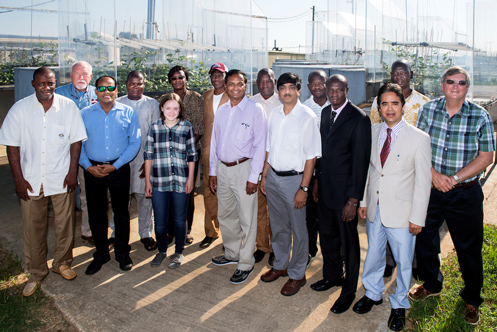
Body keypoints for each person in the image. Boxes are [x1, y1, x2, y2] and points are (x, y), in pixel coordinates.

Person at [409, 66, 495, 325]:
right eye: (451, 81)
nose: (456, 86)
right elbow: (417, 146)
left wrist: (455, 178)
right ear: (442, 85)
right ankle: (432, 283)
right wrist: (434, 175)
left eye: (462, 82)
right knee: (424, 239)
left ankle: (471, 299)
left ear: (468, 87)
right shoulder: (428, 110)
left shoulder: (480, 116)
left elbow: (487, 156)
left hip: (465, 194)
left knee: (469, 247)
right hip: (430, 189)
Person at [0, 67, 87, 296]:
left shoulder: (68, 107)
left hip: (61, 178)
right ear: (33, 84)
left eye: (50, 83)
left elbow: (76, 142)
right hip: (30, 179)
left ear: (55, 82)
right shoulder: (20, 109)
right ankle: (37, 272)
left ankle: (62, 263)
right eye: (41, 84)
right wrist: (18, 179)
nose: (46, 88)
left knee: (65, 224)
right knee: (33, 227)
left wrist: (72, 173)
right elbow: (12, 146)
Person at [352, 83, 432, 331]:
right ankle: (373, 293)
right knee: (374, 255)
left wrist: (417, 216)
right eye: (384, 103)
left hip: (403, 214)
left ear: (403, 106)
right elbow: (369, 170)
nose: (389, 108)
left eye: (394, 103)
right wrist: (364, 202)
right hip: (375, 209)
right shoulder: (372, 131)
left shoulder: (419, 138)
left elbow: (423, 182)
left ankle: (399, 305)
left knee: (403, 261)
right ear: (378, 107)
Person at [312, 74, 371, 314]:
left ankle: (348, 292)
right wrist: (316, 181)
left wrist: (353, 200)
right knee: (327, 238)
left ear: (347, 90)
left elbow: (360, 163)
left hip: (345, 196)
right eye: (330, 90)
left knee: (349, 245)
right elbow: (321, 152)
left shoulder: (359, 118)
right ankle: (332, 277)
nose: (334, 94)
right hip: (325, 191)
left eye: (339, 90)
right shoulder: (326, 113)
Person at [260, 72, 321, 296]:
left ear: (298, 90)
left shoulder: (307, 117)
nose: (286, 91)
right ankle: (281, 265)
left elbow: (311, 157)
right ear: (279, 91)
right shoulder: (274, 114)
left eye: (291, 87)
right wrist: (265, 176)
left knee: (299, 229)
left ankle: (297, 274)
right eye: (283, 87)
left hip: (295, 180)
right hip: (274, 177)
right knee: (278, 227)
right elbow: (269, 147)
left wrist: (303, 189)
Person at [370, 60, 431, 278]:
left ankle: (410, 270)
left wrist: (418, 215)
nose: (399, 75)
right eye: (394, 72)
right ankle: (385, 268)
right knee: (378, 241)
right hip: (382, 186)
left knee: (406, 244)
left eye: (402, 72)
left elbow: (423, 180)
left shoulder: (424, 103)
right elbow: (373, 160)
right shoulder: (377, 113)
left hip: (409, 173)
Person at [209, 69, 267, 284]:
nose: (235, 88)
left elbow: (261, 145)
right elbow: (215, 143)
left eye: (239, 84)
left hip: (244, 169)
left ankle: (245, 263)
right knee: (226, 215)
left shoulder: (255, 110)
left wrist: (254, 176)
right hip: (222, 169)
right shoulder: (222, 110)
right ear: (225, 85)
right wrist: (213, 172)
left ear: (246, 86)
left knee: (247, 219)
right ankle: (231, 254)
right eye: (231, 84)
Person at [79, 75, 141, 275]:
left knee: (121, 212)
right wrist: (88, 166)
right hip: (93, 170)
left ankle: (123, 252)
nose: (107, 91)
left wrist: (116, 166)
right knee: (96, 214)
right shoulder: (84, 113)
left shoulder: (128, 112)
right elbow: (77, 144)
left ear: (116, 91)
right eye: (102, 88)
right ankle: (101, 253)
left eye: (111, 88)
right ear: (95, 91)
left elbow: (135, 142)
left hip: (119, 168)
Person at [145, 93, 197, 269]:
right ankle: (161, 250)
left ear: (180, 109)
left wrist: (190, 179)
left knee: (179, 218)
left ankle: (179, 252)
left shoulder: (186, 127)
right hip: (159, 181)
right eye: (168, 108)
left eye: (176, 108)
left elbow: (192, 156)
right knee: (160, 220)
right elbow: (148, 156)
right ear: (161, 109)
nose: (172, 112)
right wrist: (147, 182)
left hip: (181, 181)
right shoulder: (154, 128)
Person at [113, 70, 160, 251]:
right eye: (132, 83)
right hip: (121, 160)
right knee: (120, 199)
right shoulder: (117, 103)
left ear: (144, 84)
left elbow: (156, 133)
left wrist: (149, 161)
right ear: (126, 84)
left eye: (139, 83)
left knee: (144, 197)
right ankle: (115, 233)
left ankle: (146, 233)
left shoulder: (152, 104)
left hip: (144, 157)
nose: (135, 87)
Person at [55, 60, 98, 245]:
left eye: (85, 74)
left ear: (91, 76)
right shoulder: (58, 94)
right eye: (77, 73)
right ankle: (63, 236)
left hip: (88, 153)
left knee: (87, 195)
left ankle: (87, 231)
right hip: (63, 153)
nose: (81, 77)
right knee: (63, 195)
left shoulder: (99, 92)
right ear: (70, 75)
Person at [249, 68, 281, 265]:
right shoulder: (250, 102)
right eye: (260, 82)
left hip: (278, 164)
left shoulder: (284, 101)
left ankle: (277, 248)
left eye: (267, 81)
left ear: (274, 81)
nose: (264, 85)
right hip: (256, 163)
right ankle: (262, 246)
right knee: (258, 209)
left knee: (276, 211)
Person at [199, 62, 229, 249]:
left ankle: (230, 236)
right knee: (209, 195)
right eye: (214, 75)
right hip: (209, 153)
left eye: (220, 75)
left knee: (228, 198)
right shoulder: (206, 95)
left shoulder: (234, 94)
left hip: (228, 154)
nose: (217, 78)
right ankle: (211, 232)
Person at [302, 70, 330, 267]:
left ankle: (333, 256)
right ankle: (310, 250)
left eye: (322, 83)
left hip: (331, 170)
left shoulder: (337, 104)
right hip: (311, 169)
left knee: (329, 217)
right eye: (314, 84)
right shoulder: (304, 108)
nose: (318, 87)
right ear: (308, 87)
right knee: (309, 216)